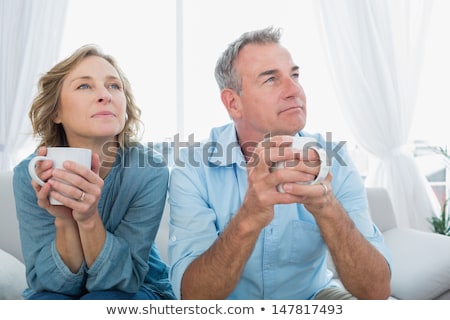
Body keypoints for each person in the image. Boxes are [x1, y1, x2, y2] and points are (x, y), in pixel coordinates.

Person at [167, 26, 392, 300]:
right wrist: (249, 217)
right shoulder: (192, 170)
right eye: (271, 79)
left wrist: (327, 209)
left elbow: (376, 292)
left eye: (294, 75)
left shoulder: (336, 160)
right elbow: (193, 297)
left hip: (313, 297)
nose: (294, 90)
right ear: (233, 103)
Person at [13, 44, 175, 300]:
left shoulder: (149, 171)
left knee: (101, 301)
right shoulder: (30, 174)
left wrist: (88, 219)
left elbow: (125, 280)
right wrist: (65, 219)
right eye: (84, 86)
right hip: (56, 292)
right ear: (56, 111)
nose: (105, 95)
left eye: (114, 86)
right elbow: (49, 284)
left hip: (139, 288)